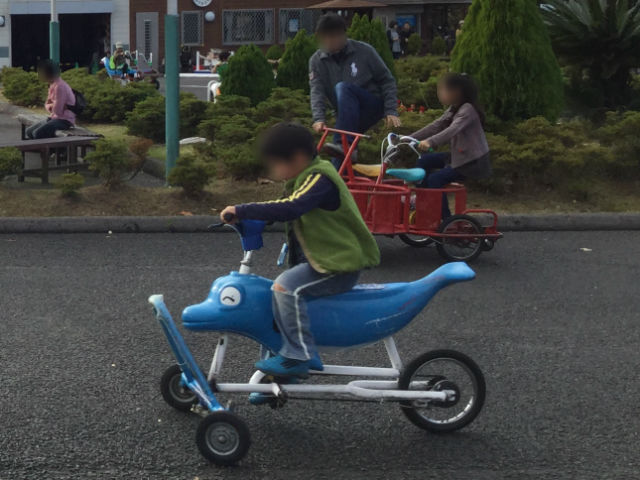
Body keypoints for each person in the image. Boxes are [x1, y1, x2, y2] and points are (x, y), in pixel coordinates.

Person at [219, 123, 380, 378]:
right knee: (273, 297)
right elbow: (286, 208)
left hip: (339, 265)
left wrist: (243, 210)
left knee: (285, 288)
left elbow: (292, 207)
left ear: (297, 158)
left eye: (275, 164)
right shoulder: (304, 177)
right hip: (322, 262)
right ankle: (277, 374)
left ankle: (299, 356)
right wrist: (256, 220)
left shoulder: (320, 178)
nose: (273, 171)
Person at [309, 13, 400, 168]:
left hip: (371, 106)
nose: (329, 42)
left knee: (343, 87)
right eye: (325, 38)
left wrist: (390, 110)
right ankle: (341, 180)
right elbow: (316, 91)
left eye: (333, 37)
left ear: (343, 35)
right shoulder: (316, 61)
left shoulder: (364, 51)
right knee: (339, 162)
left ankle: (342, 145)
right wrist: (318, 118)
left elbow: (387, 80)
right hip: (347, 114)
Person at [410, 73, 491, 218]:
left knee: (436, 179)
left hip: (471, 162)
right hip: (459, 157)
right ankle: (423, 200)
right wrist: (408, 138)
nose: (439, 93)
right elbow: (436, 125)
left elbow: (452, 130)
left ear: (456, 92)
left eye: (442, 89)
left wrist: (430, 141)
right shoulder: (454, 108)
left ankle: (444, 218)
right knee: (424, 161)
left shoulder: (467, 110)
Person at [25, 60, 75, 139]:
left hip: (65, 120)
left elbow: (57, 111)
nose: (38, 75)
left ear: (48, 73)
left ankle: (53, 150)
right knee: (29, 131)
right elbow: (47, 105)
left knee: (37, 133)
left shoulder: (60, 87)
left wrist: (51, 105)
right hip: (54, 117)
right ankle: (44, 149)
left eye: (40, 72)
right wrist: (52, 105)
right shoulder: (52, 85)